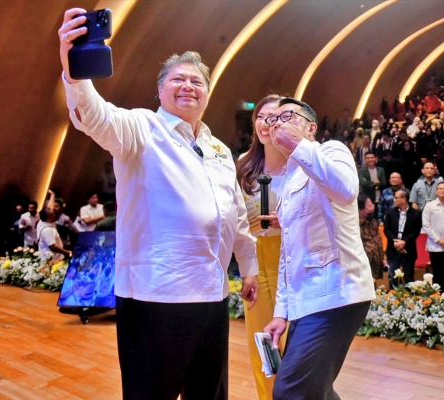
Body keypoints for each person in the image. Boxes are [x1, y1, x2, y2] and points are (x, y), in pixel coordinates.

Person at [59, 10, 259, 398]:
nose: (188, 86)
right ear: (160, 91)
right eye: (177, 80)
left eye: (196, 81)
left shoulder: (218, 149)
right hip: (155, 296)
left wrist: (248, 266)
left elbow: (234, 215)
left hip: (212, 296)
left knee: (209, 393)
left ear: (207, 92)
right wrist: (74, 71)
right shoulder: (140, 129)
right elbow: (95, 116)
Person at [262, 98, 375, 399]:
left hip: (337, 292)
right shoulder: (289, 178)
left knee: (290, 391)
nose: (278, 123)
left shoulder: (330, 150)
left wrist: (300, 146)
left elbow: (346, 189)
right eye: (273, 120)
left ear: (310, 127)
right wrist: (281, 313)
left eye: (287, 116)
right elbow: (289, 255)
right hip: (305, 299)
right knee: (316, 391)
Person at [235, 95, 287, 400]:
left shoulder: (301, 163)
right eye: (261, 116)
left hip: (292, 258)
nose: (267, 123)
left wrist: (290, 220)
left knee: (296, 340)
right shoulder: (242, 165)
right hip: (257, 261)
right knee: (264, 341)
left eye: (275, 116)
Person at [383, 189, 423, 285]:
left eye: (396, 198)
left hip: (408, 249)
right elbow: (386, 229)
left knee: (409, 277)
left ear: (404, 199)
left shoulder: (416, 214)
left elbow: (415, 232)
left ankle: (409, 298)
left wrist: (404, 242)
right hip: (393, 249)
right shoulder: (390, 212)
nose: (394, 200)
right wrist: (396, 242)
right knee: (393, 277)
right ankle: (394, 299)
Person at [358, 189, 385, 281]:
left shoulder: (373, 221)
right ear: (361, 209)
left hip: (376, 259)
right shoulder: (355, 225)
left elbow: (378, 239)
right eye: (369, 205)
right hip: (363, 262)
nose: (373, 207)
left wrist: (383, 257)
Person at [37, 191, 71, 261]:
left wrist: (53, 195)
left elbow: (50, 208)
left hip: (52, 258)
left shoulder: (43, 221)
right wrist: (67, 252)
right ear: (48, 217)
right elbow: (52, 246)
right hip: (51, 260)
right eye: (52, 215)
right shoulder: (47, 229)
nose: (54, 215)